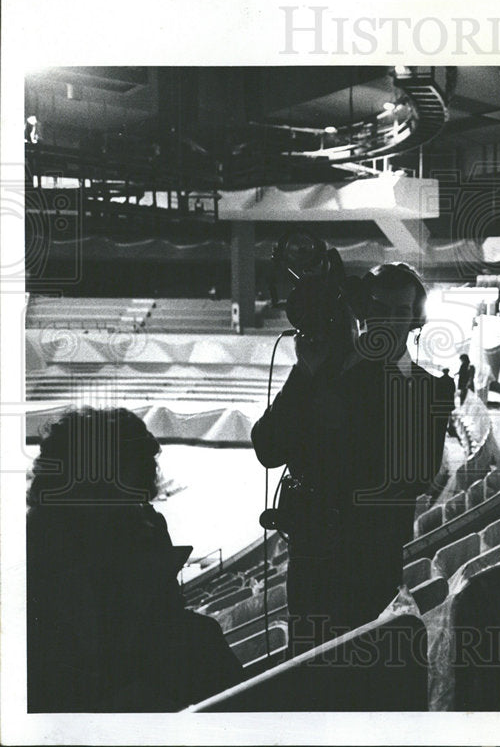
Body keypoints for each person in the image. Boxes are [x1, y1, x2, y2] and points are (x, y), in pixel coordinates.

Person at [252, 262, 448, 651]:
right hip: (311, 555)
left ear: (416, 320)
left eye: (401, 312)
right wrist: (305, 375)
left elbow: (415, 476)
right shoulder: (321, 374)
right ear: (363, 313)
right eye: (380, 310)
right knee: (307, 666)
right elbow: (268, 449)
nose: (389, 323)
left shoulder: (429, 390)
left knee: (358, 670)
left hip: (372, 561)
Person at [26, 407, 243, 712]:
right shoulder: (42, 550)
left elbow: (162, 613)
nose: (139, 500)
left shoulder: (138, 526)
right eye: (130, 484)